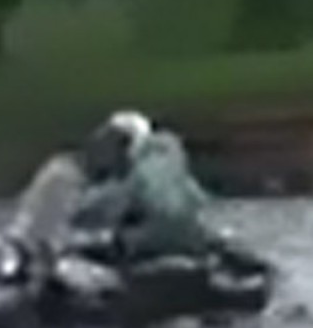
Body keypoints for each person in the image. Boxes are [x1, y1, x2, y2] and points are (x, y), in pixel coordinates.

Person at [69, 109, 216, 266]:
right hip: (193, 243)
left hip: (150, 246)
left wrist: (79, 206)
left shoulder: (136, 173)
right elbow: (198, 199)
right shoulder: (176, 164)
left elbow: (107, 204)